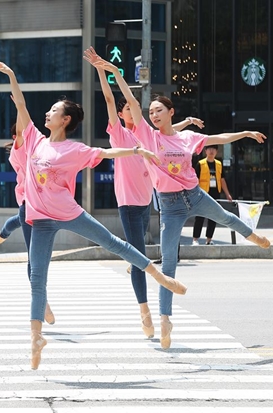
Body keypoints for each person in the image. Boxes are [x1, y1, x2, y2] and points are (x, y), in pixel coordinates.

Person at [0, 58, 187, 370]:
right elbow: (22, 106)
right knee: (37, 276)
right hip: (40, 220)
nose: (47, 114)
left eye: (53, 111)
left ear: (66, 120)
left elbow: (107, 152)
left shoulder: (74, 149)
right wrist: (13, 75)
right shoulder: (34, 140)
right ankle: (36, 337)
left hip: (68, 212)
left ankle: (158, 275)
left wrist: (136, 150)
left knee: (114, 243)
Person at [92, 47, 271, 350]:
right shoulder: (149, 137)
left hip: (195, 195)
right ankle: (165, 320)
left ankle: (252, 235)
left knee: (227, 218)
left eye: (159, 110)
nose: (153, 114)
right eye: (151, 113)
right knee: (169, 266)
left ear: (171, 112)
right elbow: (131, 102)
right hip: (170, 205)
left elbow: (218, 138)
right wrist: (112, 71)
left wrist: (246, 133)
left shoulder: (186, 137)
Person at [88, 55, 205, 339]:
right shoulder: (118, 134)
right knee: (139, 256)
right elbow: (107, 98)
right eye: (128, 107)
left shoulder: (145, 134)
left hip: (146, 201)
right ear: (122, 114)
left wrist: (187, 120)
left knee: (136, 254)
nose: (132, 109)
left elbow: (170, 132)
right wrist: (104, 73)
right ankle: (145, 312)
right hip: (128, 201)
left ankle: (134, 264)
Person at [0, 124, 55, 325]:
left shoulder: (41, 150)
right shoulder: (19, 152)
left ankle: (3, 232)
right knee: (34, 257)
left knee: (17, 224)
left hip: (47, 206)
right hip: (28, 205)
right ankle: (43, 301)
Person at [192, 145, 233, 245]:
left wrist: (227, 194)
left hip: (215, 193)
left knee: (213, 216)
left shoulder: (219, 164)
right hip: (202, 193)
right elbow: (195, 180)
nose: (211, 151)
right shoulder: (200, 164)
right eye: (209, 149)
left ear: (216, 151)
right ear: (205, 151)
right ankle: (195, 239)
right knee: (200, 216)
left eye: (214, 149)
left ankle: (209, 239)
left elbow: (222, 179)